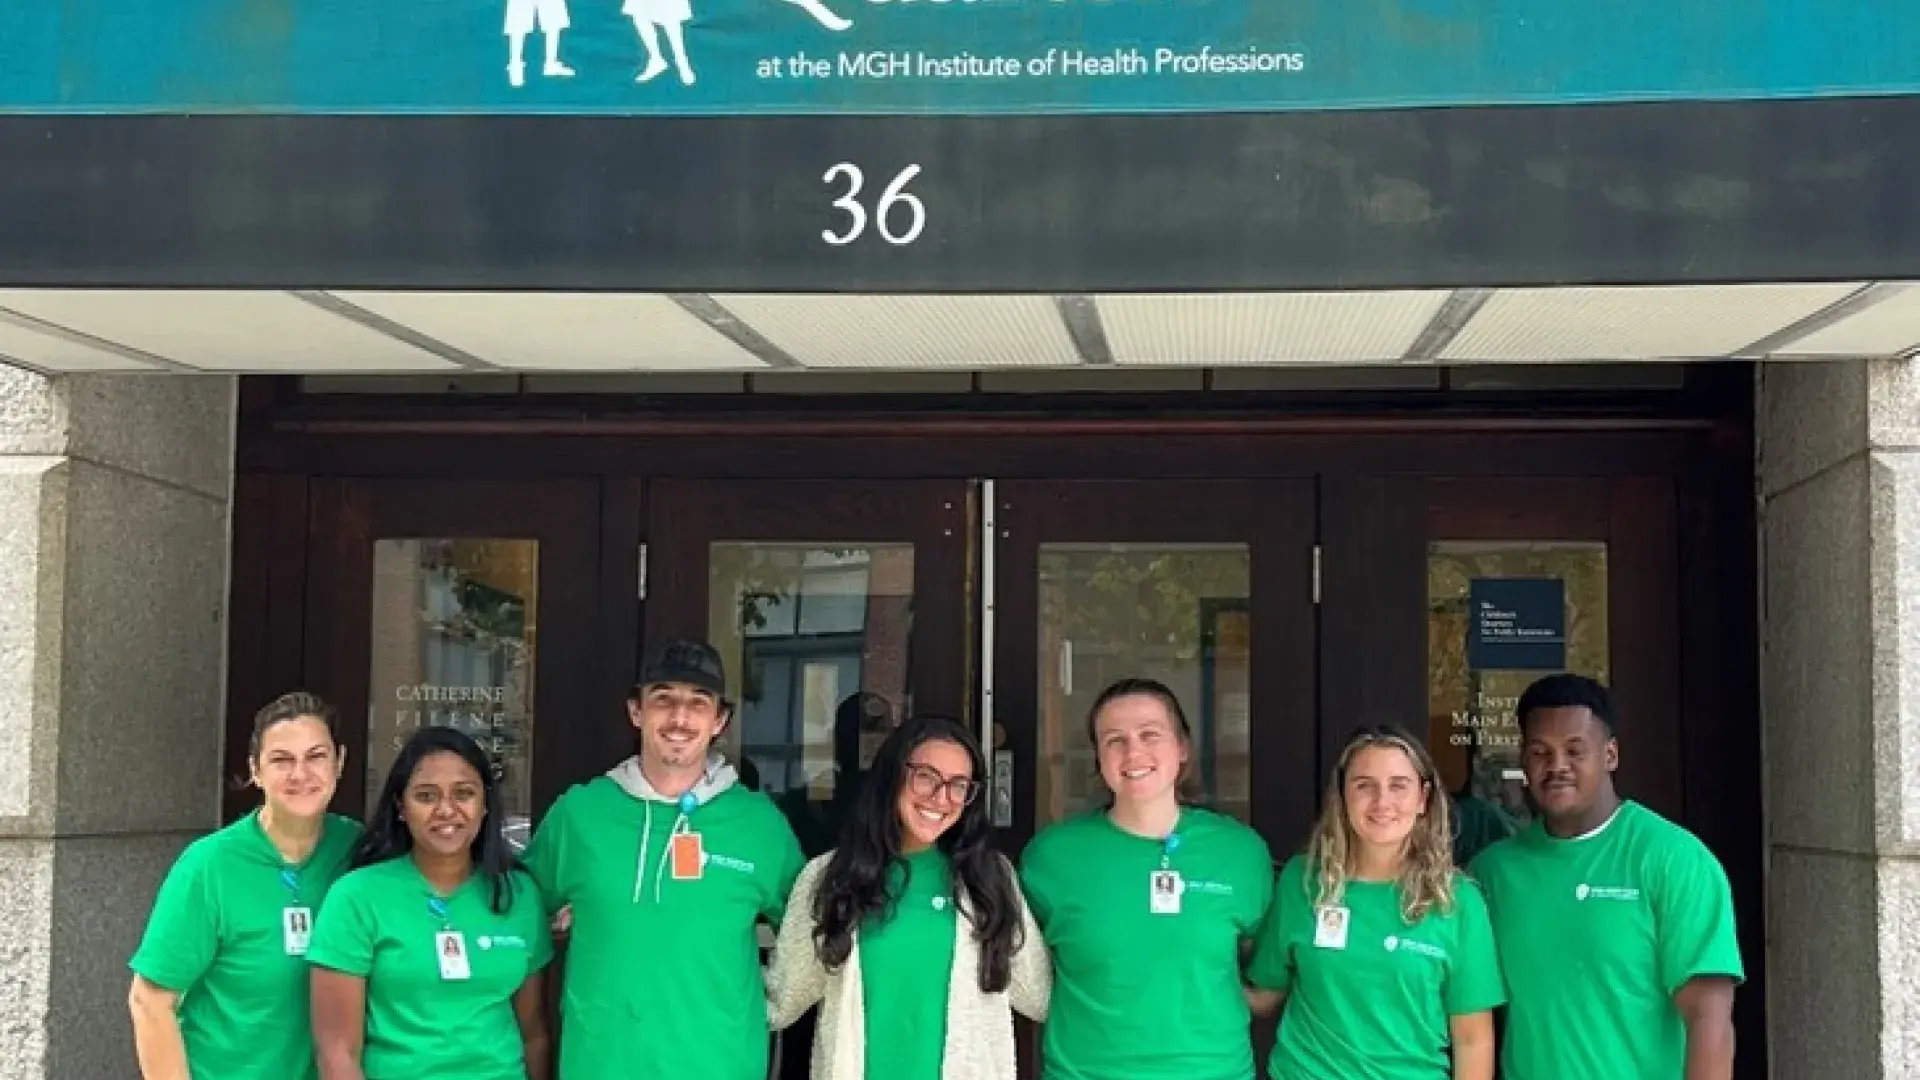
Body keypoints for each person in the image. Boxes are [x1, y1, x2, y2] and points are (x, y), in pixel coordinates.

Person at [523, 637, 806, 1080]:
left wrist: (776, 1004)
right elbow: (516, 920)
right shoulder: (579, 816)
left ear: (720, 721)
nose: (679, 717)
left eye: (698, 702)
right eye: (663, 699)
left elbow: (812, 931)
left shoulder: (759, 826)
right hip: (601, 1067)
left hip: (721, 1066)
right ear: (636, 711)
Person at [1469, 673, 1743, 1080]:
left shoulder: (1674, 861)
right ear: (1524, 761)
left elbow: (1710, 1021)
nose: (1556, 766)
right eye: (1540, 752)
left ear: (1610, 754)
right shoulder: (1493, 873)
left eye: (1574, 750)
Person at [767, 716, 1051, 1080]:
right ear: (892, 776)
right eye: (926, 776)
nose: (941, 797)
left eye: (958, 785)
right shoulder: (831, 878)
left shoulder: (990, 879)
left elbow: (1040, 994)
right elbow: (783, 997)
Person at [1020, 678, 1274, 1080]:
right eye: (1113, 740)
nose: (1133, 751)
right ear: (1099, 759)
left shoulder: (1240, 853)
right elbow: (1023, 972)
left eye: (1150, 735)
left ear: (1182, 748)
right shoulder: (1050, 858)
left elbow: (1268, 962)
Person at [1246, 726, 1504, 1080]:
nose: (1382, 802)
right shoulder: (1303, 881)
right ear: (1343, 796)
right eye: (1364, 785)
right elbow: (1264, 996)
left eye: (1399, 785)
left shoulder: (1457, 900)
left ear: (1423, 799)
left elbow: (1472, 1039)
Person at [128, 692, 361, 1080]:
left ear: (340, 762)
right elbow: (150, 1001)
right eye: (281, 760)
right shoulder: (209, 866)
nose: (300, 774)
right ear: (255, 770)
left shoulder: (357, 853)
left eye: (316, 756)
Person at [308, 725, 553, 1080]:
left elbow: (534, 1034)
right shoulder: (357, 897)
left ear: (485, 804)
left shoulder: (518, 895)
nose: (446, 810)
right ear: (401, 808)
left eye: (464, 793)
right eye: (426, 796)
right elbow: (337, 1052)